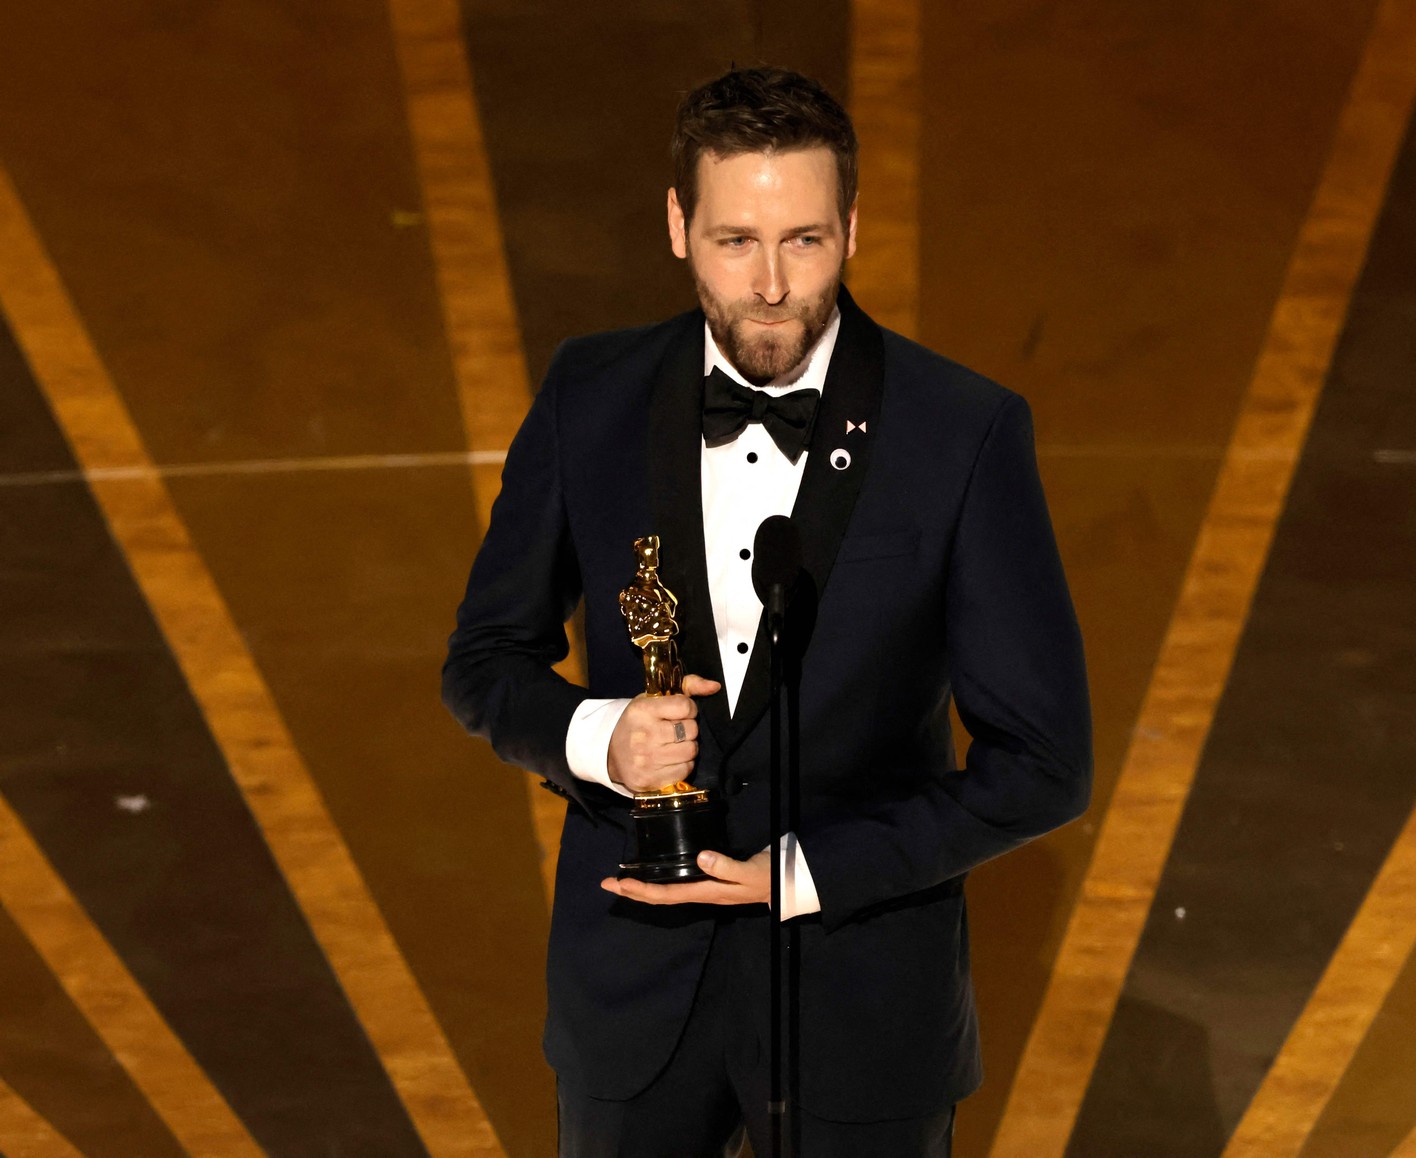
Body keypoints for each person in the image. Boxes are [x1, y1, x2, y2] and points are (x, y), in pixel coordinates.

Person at [442, 66, 1091, 1158]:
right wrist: (597, 738)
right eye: (735, 241)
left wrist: (805, 872)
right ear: (676, 226)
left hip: (861, 1003)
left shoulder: (962, 430)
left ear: (850, 227)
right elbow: (484, 658)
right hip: (632, 1001)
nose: (772, 286)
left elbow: (1044, 764)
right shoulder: (589, 397)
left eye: (804, 240)